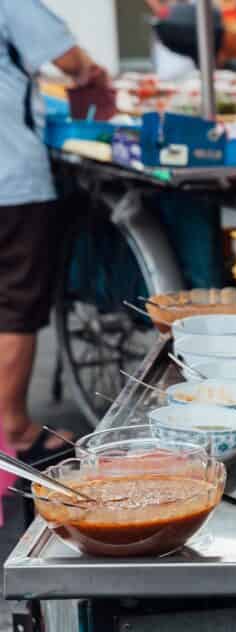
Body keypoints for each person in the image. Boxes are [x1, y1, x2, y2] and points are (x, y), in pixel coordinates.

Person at [0, 1, 108, 462]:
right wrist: (89, 72)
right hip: (9, 179)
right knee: (15, 303)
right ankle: (15, 429)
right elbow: (69, 58)